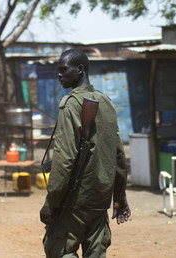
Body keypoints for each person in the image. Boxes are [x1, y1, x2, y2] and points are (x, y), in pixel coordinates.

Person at [39, 49, 131, 257]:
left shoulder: (70, 104)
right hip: (100, 199)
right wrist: (119, 196)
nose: (59, 75)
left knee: (59, 250)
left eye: (64, 69)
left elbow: (64, 161)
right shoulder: (105, 101)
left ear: (80, 69)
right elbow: (118, 154)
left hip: (75, 200)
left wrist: (50, 203)